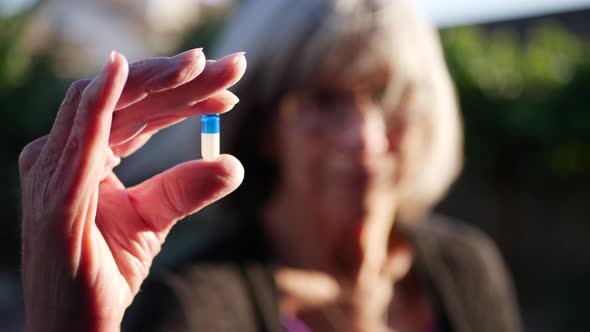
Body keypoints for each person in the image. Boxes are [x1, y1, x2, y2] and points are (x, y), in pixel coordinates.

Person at [19, 0, 522, 331]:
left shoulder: (467, 268)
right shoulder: (195, 307)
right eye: (324, 101)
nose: (363, 137)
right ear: (264, 128)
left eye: (387, 95)